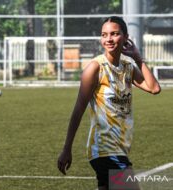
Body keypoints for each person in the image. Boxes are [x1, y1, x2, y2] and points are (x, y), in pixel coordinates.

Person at [57, 16, 161, 190]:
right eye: (104, 35)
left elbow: (154, 88)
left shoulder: (128, 66)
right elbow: (78, 109)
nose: (109, 39)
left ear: (126, 37)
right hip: (104, 148)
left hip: (120, 148)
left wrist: (137, 57)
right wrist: (67, 148)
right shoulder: (95, 68)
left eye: (114, 34)